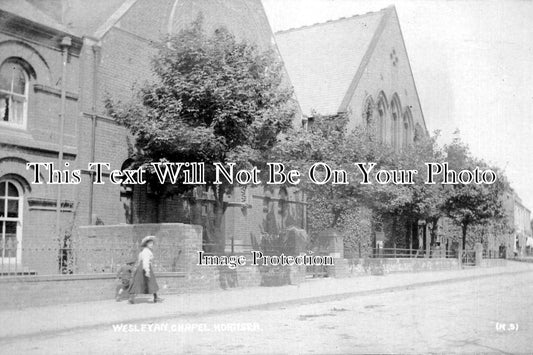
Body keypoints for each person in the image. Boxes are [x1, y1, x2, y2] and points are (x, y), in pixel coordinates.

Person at [128, 236, 162, 304]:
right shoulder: (146, 251)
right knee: (151, 281)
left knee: (139, 282)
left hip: (141, 267)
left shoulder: (144, 251)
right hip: (145, 267)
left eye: (152, 243)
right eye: (150, 243)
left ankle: (132, 297)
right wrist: (147, 271)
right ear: (146, 244)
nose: (152, 245)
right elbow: (145, 261)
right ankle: (155, 297)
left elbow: (140, 260)